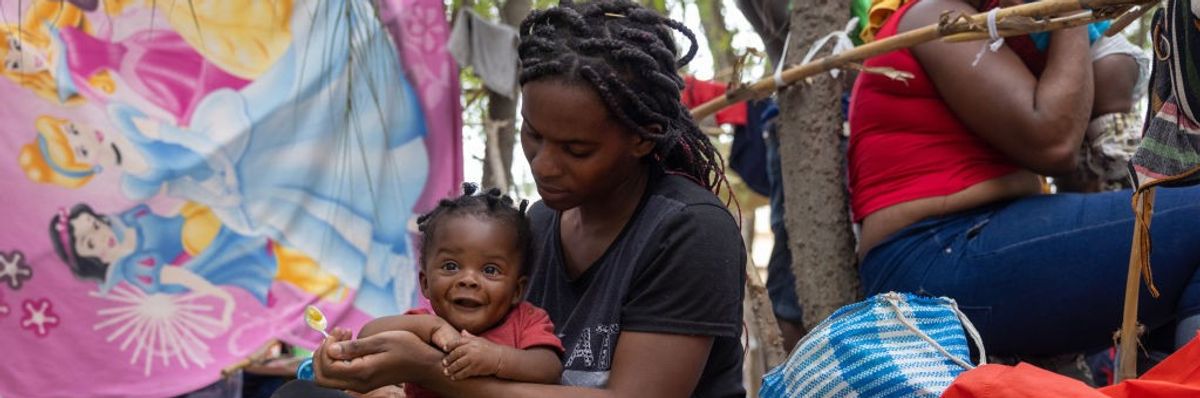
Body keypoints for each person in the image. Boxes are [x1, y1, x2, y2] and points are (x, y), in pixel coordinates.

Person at [275, 1, 747, 397]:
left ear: (643, 138)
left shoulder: (688, 229)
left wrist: (429, 371)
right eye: (533, 134)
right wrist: (373, 368)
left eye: (576, 150)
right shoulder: (537, 225)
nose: (544, 165)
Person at [849, 0, 1200, 362]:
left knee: (1169, 293)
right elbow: (1053, 143)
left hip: (966, 246)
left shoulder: (1006, 39)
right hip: (931, 256)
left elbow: (1104, 91)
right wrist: (1071, 12)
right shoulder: (933, 16)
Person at [355, 184, 564, 397]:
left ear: (517, 290)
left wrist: (497, 359)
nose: (468, 280)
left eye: (490, 270)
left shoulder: (526, 321)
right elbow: (367, 337)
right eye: (451, 266)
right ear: (425, 283)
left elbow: (549, 368)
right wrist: (431, 328)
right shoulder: (422, 325)